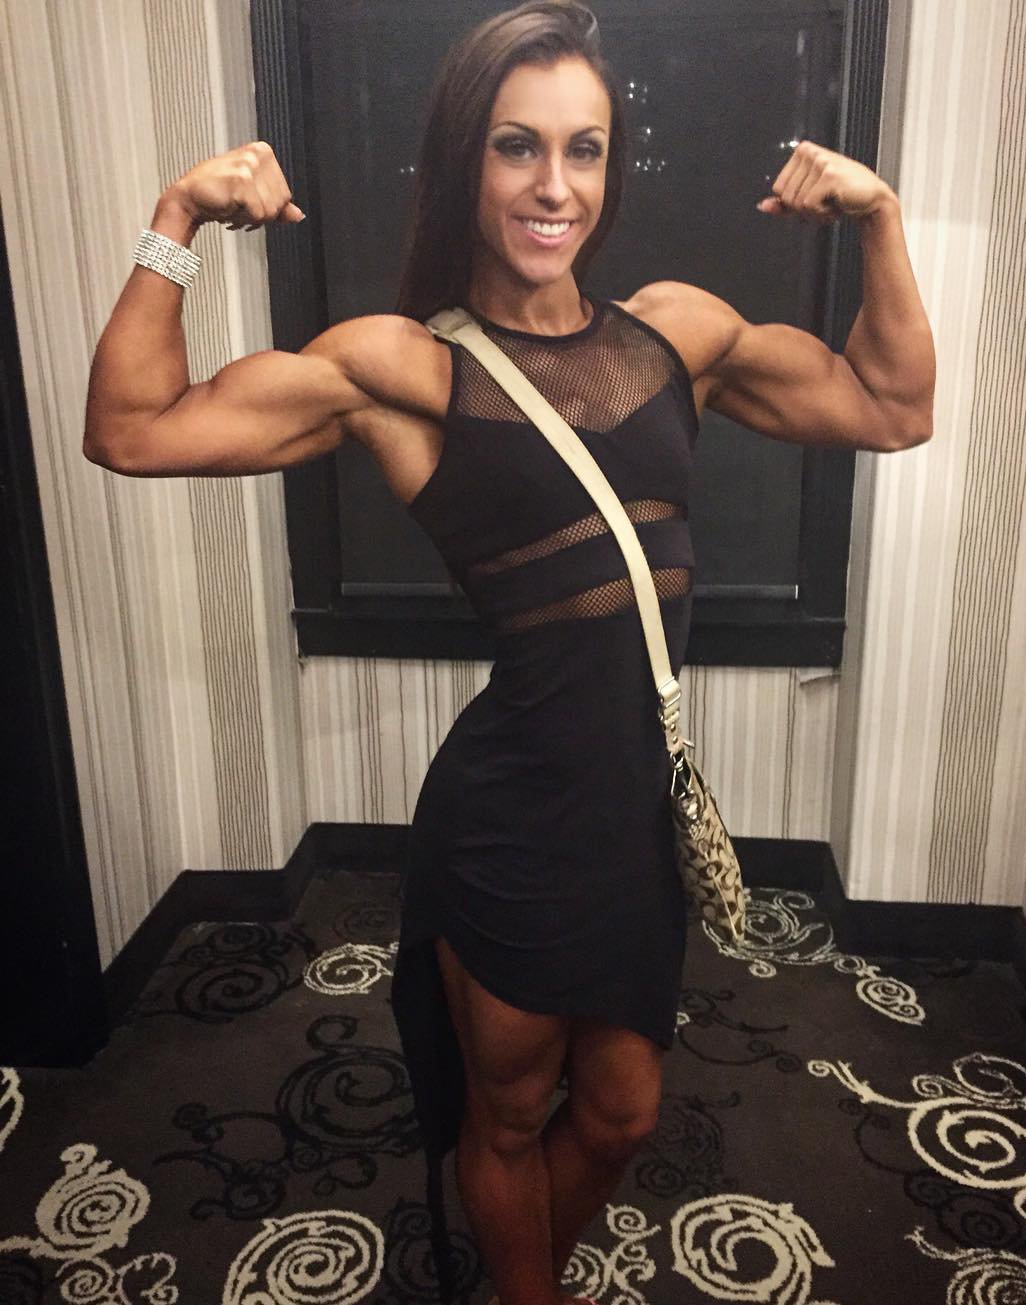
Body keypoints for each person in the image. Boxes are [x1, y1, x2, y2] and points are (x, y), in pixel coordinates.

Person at [83, 3, 935, 1302]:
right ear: (462, 162)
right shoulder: (401, 368)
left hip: (635, 815)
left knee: (625, 1113)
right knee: (510, 1113)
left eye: (583, 149)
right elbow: (131, 428)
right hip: (510, 823)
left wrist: (879, 220)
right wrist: (177, 216)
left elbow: (893, 404)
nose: (554, 185)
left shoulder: (676, 336)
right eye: (516, 146)